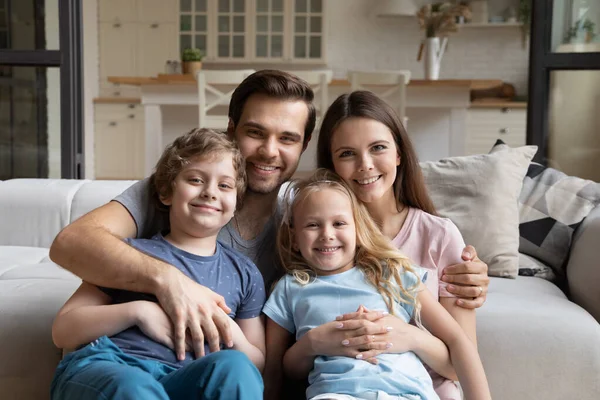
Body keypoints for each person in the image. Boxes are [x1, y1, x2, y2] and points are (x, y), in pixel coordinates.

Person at [49, 70, 487, 375]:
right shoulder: (189, 192)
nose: (269, 152)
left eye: (288, 139)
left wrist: (470, 274)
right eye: (255, 133)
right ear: (231, 127)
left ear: (306, 146)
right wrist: (169, 281)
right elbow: (71, 242)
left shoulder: (308, 216)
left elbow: (377, 227)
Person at [280, 90, 489, 400]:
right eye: (347, 153)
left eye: (378, 148)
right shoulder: (322, 240)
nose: (365, 165)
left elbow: (461, 362)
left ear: (398, 154)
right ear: (331, 165)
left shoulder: (439, 236)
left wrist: (410, 337)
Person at [50, 128, 266, 400]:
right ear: (166, 192)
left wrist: (231, 331)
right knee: (134, 387)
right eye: (196, 179)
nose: (210, 192)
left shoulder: (244, 274)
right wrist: (138, 312)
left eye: (225, 185)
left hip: (187, 380)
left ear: (236, 202)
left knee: (236, 368)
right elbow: (63, 331)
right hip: (111, 365)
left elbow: (256, 362)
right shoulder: (130, 253)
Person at [263, 170, 491, 400]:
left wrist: (410, 337)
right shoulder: (289, 288)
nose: (327, 234)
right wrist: (312, 343)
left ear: (358, 230)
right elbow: (281, 371)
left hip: (408, 394)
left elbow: (457, 341)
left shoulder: (392, 273)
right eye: (312, 225)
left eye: (339, 223)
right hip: (336, 395)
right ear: (294, 239)